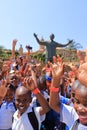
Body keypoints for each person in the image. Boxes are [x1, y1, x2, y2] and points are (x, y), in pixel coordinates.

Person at [49, 56, 87, 130]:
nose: (80, 108)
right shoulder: (75, 116)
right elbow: (54, 104)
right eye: (77, 102)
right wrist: (56, 80)